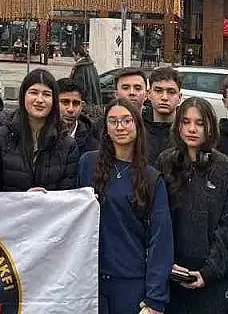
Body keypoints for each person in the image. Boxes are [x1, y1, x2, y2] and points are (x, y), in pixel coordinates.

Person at [77, 99, 172, 314]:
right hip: (90, 280)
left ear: (137, 125)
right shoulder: (87, 164)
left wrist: (155, 298)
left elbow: (161, 239)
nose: (120, 127)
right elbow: (69, 211)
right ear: (106, 128)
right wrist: (43, 198)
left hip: (130, 283)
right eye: (113, 121)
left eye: (126, 121)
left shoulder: (151, 178)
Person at [157, 97, 228, 314]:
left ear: (210, 126)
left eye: (200, 123)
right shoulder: (165, 162)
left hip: (211, 280)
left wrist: (209, 272)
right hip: (171, 275)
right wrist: (166, 263)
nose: (192, 129)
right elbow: (156, 221)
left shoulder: (223, 167)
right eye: (186, 122)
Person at [0, 69, 80, 192]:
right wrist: (23, 199)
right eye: (33, 92)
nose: (39, 100)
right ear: (23, 96)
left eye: (46, 94)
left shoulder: (67, 145)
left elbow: (68, 193)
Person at [144, 67, 182, 163]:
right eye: (158, 91)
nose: (164, 97)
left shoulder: (188, 130)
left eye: (171, 92)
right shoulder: (137, 128)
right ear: (149, 94)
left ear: (179, 97)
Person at [57, 77, 99, 154]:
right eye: (65, 102)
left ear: (82, 106)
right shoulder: (42, 135)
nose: (70, 109)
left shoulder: (93, 141)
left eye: (76, 103)